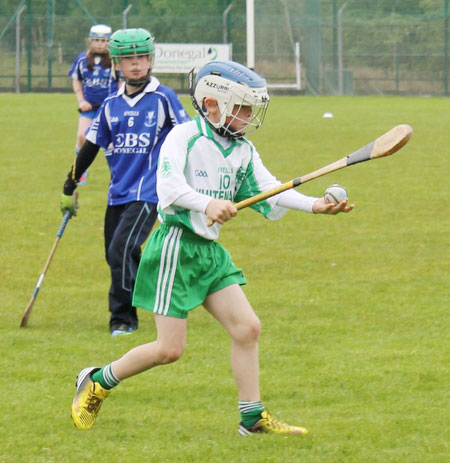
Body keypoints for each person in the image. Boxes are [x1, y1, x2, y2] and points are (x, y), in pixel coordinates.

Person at [70, 60, 354, 434]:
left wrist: (316, 205)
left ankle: (251, 419)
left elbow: (273, 193)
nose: (250, 116)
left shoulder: (243, 150)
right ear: (212, 104)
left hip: (209, 253)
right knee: (169, 350)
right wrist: (207, 204)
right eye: (244, 107)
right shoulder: (185, 136)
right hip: (174, 247)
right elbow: (168, 188)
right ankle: (98, 380)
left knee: (247, 328)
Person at [60, 28, 190, 337]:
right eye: (128, 58)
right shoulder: (110, 105)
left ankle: (122, 318)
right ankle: (162, 285)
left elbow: (189, 137)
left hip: (149, 191)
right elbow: (90, 147)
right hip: (117, 193)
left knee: (122, 249)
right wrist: (69, 185)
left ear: (150, 60)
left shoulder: (163, 97)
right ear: (116, 63)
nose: (135, 64)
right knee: (117, 255)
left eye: (141, 57)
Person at [68, 24, 119, 184]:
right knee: (82, 136)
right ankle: (80, 171)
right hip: (89, 108)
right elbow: (76, 80)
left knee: (112, 144)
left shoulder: (114, 61)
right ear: (90, 41)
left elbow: (121, 84)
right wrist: (81, 100)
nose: (99, 44)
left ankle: (116, 175)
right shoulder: (82, 60)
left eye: (103, 41)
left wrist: (117, 102)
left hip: (108, 109)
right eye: (96, 40)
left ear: (108, 42)